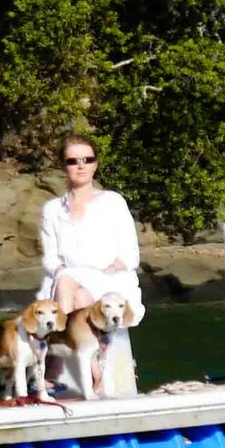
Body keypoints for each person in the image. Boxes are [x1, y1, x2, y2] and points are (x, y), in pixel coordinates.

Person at [37, 135, 144, 325]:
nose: (81, 166)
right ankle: (72, 345)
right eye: (73, 161)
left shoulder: (113, 202)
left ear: (95, 164)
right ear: (64, 166)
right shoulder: (53, 209)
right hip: (68, 284)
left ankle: (63, 339)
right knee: (73, 289)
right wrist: (66, 272)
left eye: (88, 160)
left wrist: (107, 270)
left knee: (75, 289)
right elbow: (51, 258)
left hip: (109, 280)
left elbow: (130, 255)